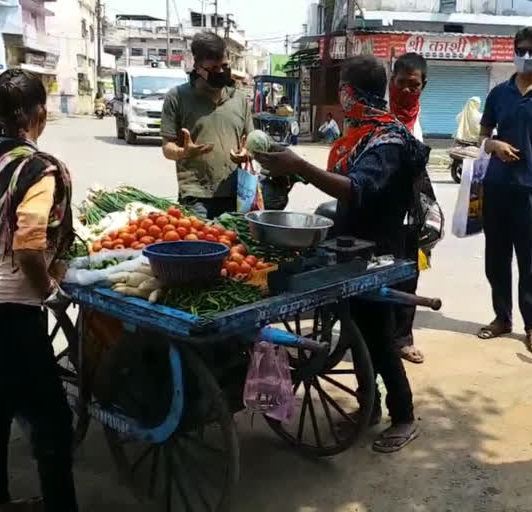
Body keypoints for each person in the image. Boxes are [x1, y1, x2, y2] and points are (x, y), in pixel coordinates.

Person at [255, 56, 429, 453]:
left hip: (379, 251)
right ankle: (370, 407)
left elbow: (356, 189)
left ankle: (403, 416)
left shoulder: (388, 140)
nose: (341, 96)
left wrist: (300, 164)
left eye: (343, 88)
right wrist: (291, 170)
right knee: (359, 334)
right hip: (349, 244)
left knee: (379, 338)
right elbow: (342, 185)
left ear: (352, 92)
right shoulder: (360, 133)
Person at [0, 69, 78, 511]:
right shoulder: (38, 170)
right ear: (40, 113)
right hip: (10, 314)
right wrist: (48, 289)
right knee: (52, 422)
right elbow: (28, 245)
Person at [476, 26, 532, 354]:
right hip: (495, 188)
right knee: (496, 260)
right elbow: (481, 138)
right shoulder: (498, 94)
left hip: (529, 190)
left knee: (530, 262)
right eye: (521, 49)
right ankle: (502, 318)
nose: (526, 56)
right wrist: (494, 144)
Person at [160, 31, 253, 219]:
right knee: (202, 246)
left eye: (224, 66)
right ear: (197, 66)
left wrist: (247, 153)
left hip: (235, 194)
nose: (220, 72)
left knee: (233, 247)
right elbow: (167, 147)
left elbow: (251, 141)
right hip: (195, 195)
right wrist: (183, 152)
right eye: (213, 68)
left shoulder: (239, 99)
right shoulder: (177, 97)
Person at [388, 52, 433, 365]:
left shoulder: (418, 118)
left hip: (411, 214)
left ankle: (403, 338)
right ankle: (375, 336)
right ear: (391, 81)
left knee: (409, 275)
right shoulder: (378, 112)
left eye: (413, 85)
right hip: (379, 211)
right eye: (401, 83)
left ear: (423, 86)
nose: (406, 91)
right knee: (378, 275)